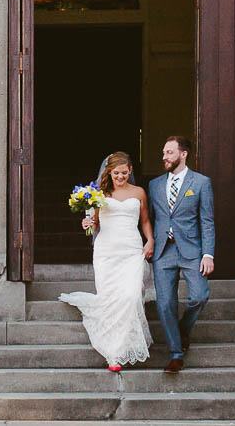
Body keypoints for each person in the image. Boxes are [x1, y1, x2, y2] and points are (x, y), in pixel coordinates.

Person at [58, 151, 154, 372]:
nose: (120, 177)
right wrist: (87, 222)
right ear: (109, 172)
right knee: (110, 299)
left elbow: (145, 220)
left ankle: (121, 347)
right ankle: (114, 354)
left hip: (131, 250)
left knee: (130, 296)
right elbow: (95, 222)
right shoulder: (99, 193)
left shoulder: (139, 192)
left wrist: (150, 240)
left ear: (130, 171)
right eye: (116, 173)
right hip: (106, 252)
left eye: (124, 173)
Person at [146, 134, 214, 374]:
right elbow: (150, 220)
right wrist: (149, 243)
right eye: (164, 152)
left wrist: (208, 254)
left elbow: (207, 220)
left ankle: (182, 329)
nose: (164, 157)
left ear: (183, 154)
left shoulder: (201, 183)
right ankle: (176, 354)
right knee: (165, 304)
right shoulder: (154, 185)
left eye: (170, 152)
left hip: (191, 250)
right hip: (164, 251)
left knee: (200, 295)